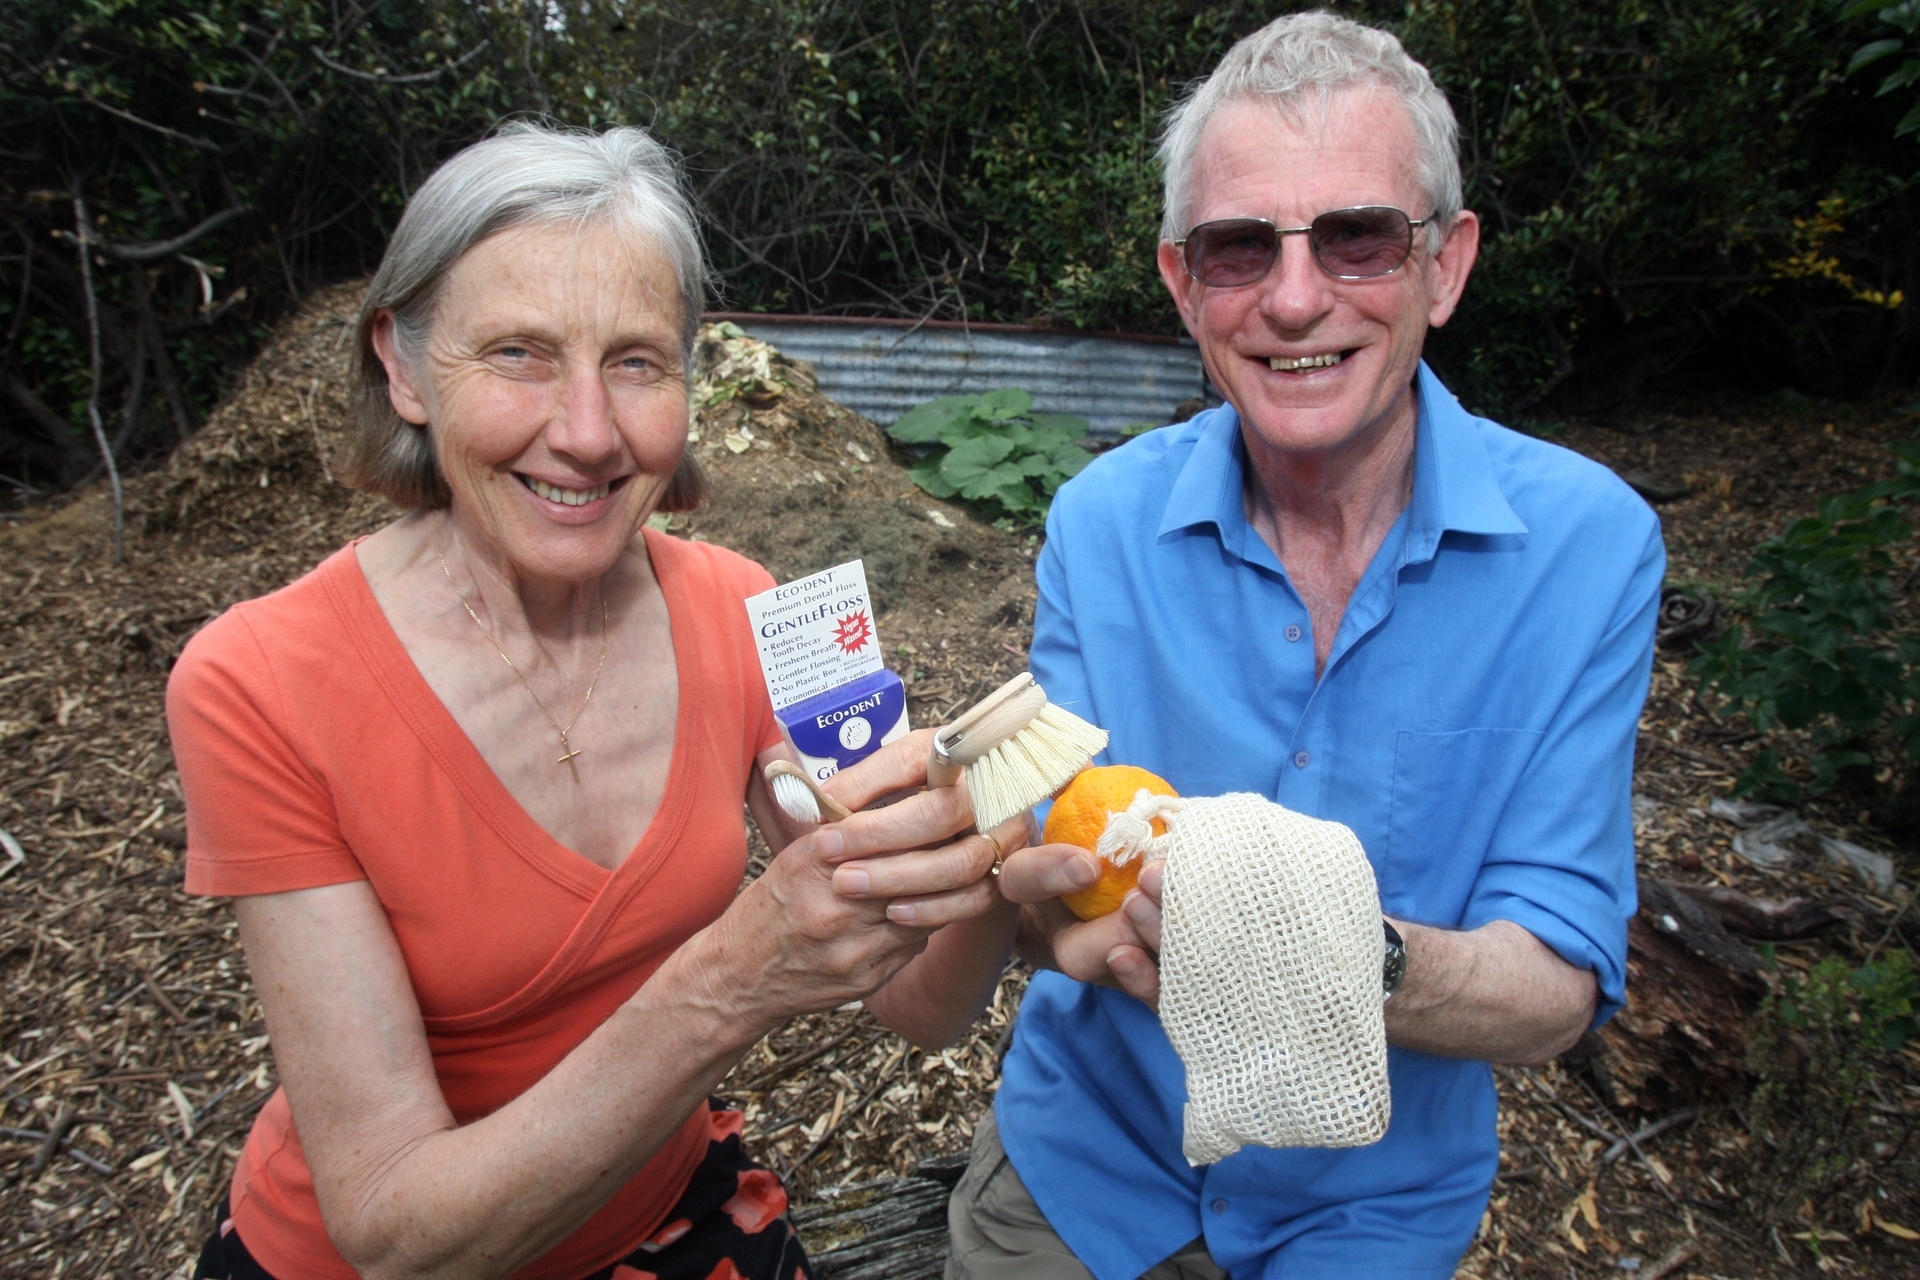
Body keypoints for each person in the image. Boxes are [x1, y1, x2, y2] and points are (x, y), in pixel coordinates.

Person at [167, 123, 1024, 1280]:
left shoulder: (752, 608)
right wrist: (735, 975)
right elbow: (392, 1232)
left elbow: (920, 1003)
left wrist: (980, 850)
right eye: (518, 352)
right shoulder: (255, 683)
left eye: (636, 361)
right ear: (405, 368)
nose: (585, 432)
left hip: (663, 1203)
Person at [958, 13, 1664, 1280]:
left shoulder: (1589, 549)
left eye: (1358, 237)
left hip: (1370, 1214)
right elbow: (1057, 857)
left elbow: (1557, 977)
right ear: (1184, 285)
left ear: (1444, 267)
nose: (1295, 297)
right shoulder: (1099, 524)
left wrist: (1341, 947)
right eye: (1240, 248)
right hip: (1087, 1166)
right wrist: (1033, 908)